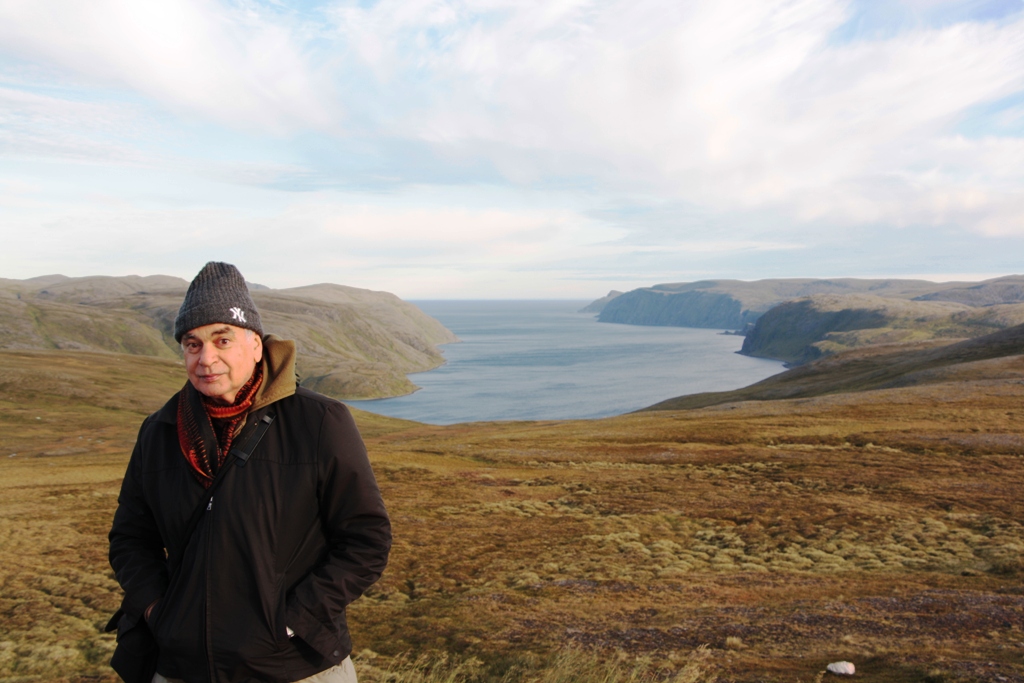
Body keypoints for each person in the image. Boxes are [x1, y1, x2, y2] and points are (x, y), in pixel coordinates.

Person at [108, 262, 391, 683]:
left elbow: (366, 538)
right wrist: (157, 610)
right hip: (183, 667)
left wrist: (294, 619)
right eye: (192, 344)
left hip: (294, 666)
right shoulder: (160, 431)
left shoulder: (319, 421)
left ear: (256, 345)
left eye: (223, 340)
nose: (207, 358)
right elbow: (131, 537)